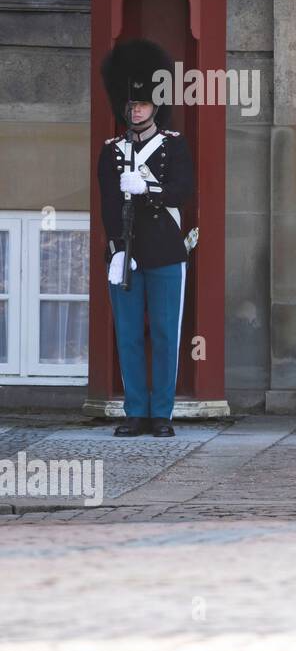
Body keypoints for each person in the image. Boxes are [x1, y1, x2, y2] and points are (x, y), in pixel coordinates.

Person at [97, 39, 195, 439]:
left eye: (142, 104)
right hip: (128, 254)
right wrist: (118, 249)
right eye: (131, 104)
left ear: (155, 106)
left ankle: (162, 414)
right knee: (129, 335)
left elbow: (182, 191)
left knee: (165, 333)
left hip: (166, 251)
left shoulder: (173, 146)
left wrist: (147, 190)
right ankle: (135, 411)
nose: (135, 110)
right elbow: (106, 203)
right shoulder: (112, 152)